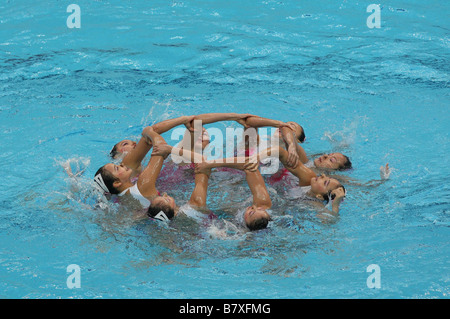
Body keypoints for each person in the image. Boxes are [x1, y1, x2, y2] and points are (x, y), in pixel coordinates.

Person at [250, 146, 346, 217]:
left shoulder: (315, 203)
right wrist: (257, 158)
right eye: (326, 177)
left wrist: (335, 205)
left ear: (319, 196)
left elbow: (328, 220)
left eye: (325, 182)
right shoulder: (308, 177)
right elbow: (281, 152)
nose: (322, 175)